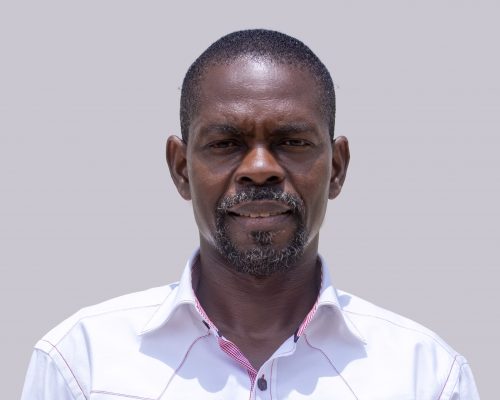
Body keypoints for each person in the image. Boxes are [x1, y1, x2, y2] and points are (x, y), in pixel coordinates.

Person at [21, 29, 480, 399]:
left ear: (337, 168)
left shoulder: (426, 376)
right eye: (225, 143)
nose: (259, 168)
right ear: (181, 169)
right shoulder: (81, 364)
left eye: (292, 142)